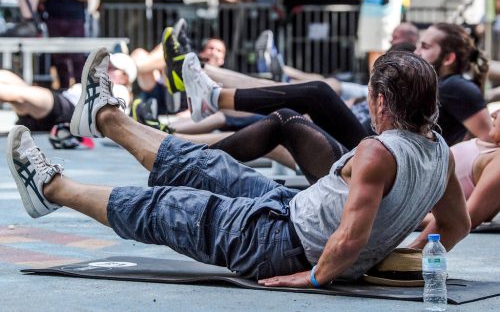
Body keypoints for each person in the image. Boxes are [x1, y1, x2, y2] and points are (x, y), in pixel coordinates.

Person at [7, 48, 470, 285]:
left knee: (167, 208)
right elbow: (457, 223)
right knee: (205, 165)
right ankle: (108, 118)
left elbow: (351, 237)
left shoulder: (379, 152)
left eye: (370, 95)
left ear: (382, 100)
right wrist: (406, 257)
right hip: (291, 210)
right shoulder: (440, 153)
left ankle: (50, 187)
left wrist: (315, 276)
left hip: (281, 244)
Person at [0, 52, 135, 135]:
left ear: (125, 77)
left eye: (112, 68)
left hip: (67, 112)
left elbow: (108, 116)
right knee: (6, 77)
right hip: (60, 103)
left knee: (16, 94)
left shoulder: (121, 91)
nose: (106, 69)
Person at [421, 109, 500, 231]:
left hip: (406, 204)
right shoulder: (491, 149)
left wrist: (402, 221)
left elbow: (466, 219)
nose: (493, 114)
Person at [416, 23, 491, 145]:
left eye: (425, 47)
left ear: (448, 59)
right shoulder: (443, 86)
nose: (416, 52)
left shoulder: (454, 86)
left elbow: (490, 140)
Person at [38, 0, 89, 88]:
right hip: (54, 20)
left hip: (75, 20)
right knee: (60, 58)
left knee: (77, 56)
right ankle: (64, 88)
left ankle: (81, 87)